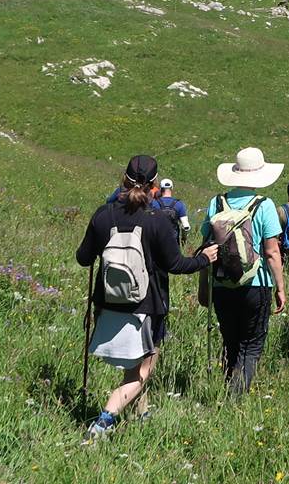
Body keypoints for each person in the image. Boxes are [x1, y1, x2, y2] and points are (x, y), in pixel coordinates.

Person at [76, 155, 216, 439]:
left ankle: (142, 413)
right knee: (143, 368)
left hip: (108, 303)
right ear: (154, 185)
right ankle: (104, 420)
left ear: (123, 179)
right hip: (146, 306)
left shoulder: (103, 215)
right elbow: (175, 265)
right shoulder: (157, 221)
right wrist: (203, 259)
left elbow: (83, 258)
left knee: (134, 367)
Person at [201, 146, 287, 395]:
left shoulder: (216, 203)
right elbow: (271, 252)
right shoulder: (264, 205)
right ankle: (235, 397)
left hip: (220, 284)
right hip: (256, 285)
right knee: (250, 346)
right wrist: (280, 287)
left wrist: (203, 286)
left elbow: (206, 249)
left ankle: (229, 388)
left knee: (230, 342)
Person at [156, 178, 190, 243]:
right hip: (173, 242)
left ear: (160, 189)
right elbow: (186, 226)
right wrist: (184, 238)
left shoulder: (154, 203)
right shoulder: (179, 204)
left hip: (157, 240)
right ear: (172, 188)